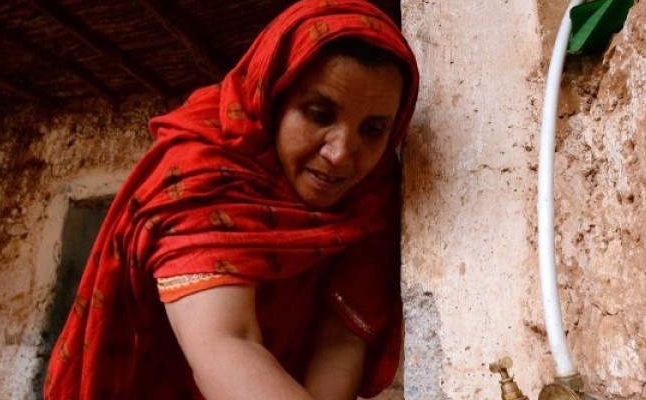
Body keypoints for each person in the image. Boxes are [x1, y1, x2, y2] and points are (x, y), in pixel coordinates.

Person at [43, 0, 419, 398]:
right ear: (273, 98)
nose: (341, 153)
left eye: (373, 130)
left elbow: (339, 344)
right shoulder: (202, 172)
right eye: (319, 114)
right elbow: (227, 341)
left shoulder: (371, 201)